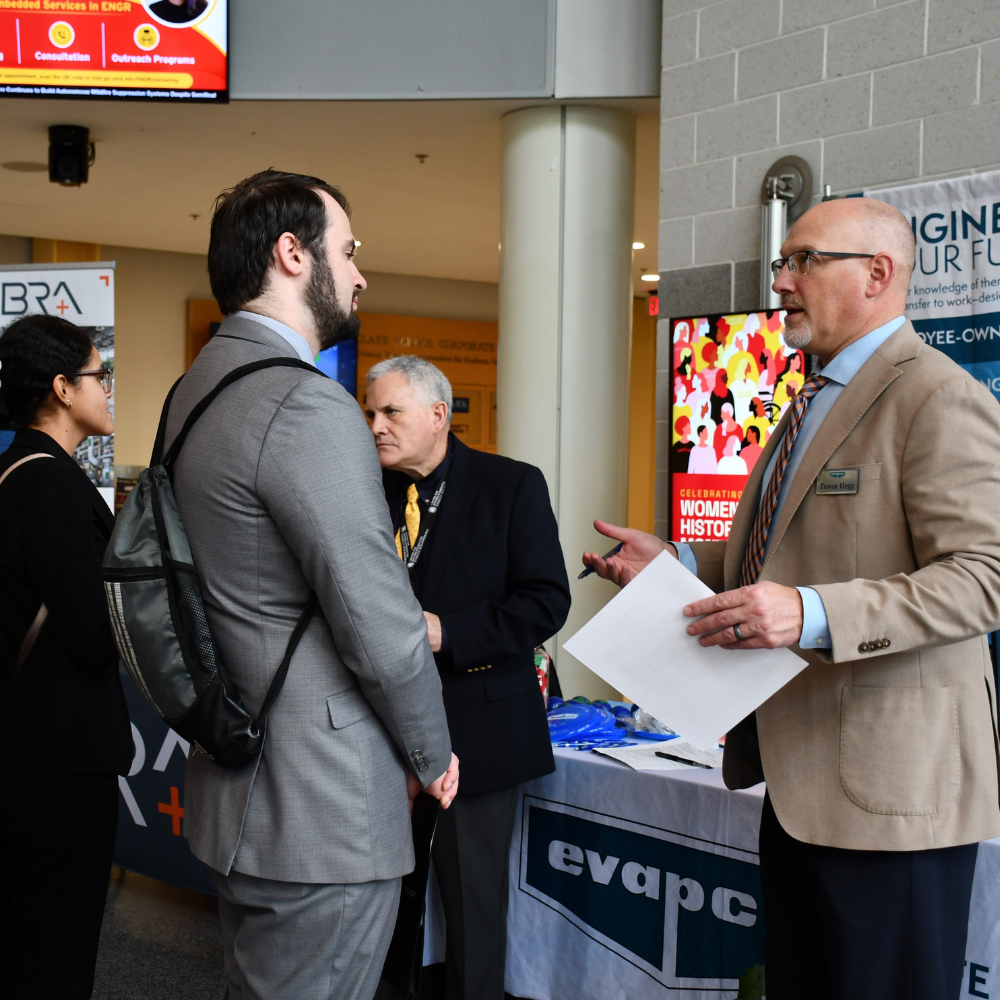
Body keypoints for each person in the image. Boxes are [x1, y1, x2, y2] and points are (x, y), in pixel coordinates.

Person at [582, 196, 1000, 1000]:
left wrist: (808, 613)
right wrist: (683, 561)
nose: (781, 282)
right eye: (784, 263)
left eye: (804, 260)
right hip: (801, 788)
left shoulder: (936, 399)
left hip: (894, 800)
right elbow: (790, 553)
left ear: (878, 274)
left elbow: (983, 576)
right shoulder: (814, 398)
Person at [165, 170, 459, 1000]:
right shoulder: (304, 404)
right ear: (292, 255)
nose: (360, 274)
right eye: (348, 250)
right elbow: (378, 621)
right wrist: (430, 754)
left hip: (244, 783)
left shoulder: (197, 389)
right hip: (319, 807)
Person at [365, 355, 570, 1000]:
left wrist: (447, 633)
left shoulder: (511, 486)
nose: (374, 426)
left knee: (472, 912)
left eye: (389, 412)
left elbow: (546, 602)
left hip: (476, 732)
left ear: (438, 415)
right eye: (370, 412)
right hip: (382, 735)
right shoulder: (369, 494)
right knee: (388, 906)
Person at [0, 315, 132, 999]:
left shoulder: (13, 472)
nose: (107, 389)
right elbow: (91, 630)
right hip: (57, 760)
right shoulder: (49, 484)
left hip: (28, 749)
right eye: (97, 375)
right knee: (55, 943)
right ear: (60, 387)